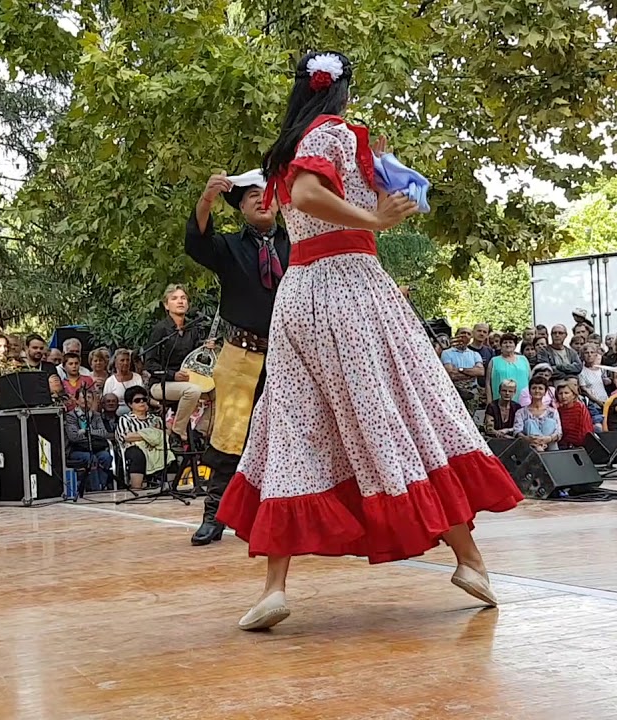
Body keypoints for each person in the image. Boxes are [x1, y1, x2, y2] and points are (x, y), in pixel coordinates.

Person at [216, 51, 522, 631]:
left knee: (291, 428)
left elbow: (298, 195)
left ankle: (273, 588)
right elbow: (307, 194)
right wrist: (374, 219)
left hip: (299, 295)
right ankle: (470, 560)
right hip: (350, 290)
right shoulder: (334, 132)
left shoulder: (287, 146)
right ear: (342, 91)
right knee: (403, 413)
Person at [185, 165, 291, 545]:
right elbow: (197, 242)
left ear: (279, 204)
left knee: (290, 435)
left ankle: (286, 517)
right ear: (241, 208)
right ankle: (214, 515)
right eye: (252, 197)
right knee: (230, 436)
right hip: (240, 354)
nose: (262, 202)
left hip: (287, 358)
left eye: (268, 196)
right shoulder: (228, 247)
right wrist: (206, 198)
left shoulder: (297, 244)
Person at [143, 284, 203, 448]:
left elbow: (197, 357)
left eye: (183, 298)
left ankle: (201, 433)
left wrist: (207, 348)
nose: (180, 302)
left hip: (186, 382)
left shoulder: (192, 328)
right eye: (174, 298)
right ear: (166, 305)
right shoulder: (160, 330)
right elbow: (149, 362)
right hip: (160, 384)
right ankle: (177, 431)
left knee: (216, 393)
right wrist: (172, 374)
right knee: (193, 391)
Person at [116, 386, 170, 491]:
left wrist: (147, 435)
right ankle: (137, 487)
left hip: (154, 447)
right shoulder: (125, 419)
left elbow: (165, 433)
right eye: (137, 400)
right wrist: (150, 434)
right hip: (133, 448)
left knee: (166, 452)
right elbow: (127, 437)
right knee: (138, 454)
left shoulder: (155, 419)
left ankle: (166, 486)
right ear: (130, 404)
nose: (142, 402)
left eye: (144, 400)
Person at [64, 387, 115, 492]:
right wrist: (92, 433)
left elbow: (103, 433)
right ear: (77, 400)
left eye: (89, 397)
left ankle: (102, 485)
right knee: (91, 458)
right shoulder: (70, 416)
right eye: (83, 397)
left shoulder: (96, 416)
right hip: (76, 450)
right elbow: (73, 437)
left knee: (106, 457)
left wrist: (86, 432)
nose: (86, 400)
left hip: (95, 447)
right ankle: (96, 489)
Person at [513, 378, 561, 451]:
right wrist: (528, 439)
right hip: (530, 447)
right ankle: (538, 448)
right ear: (529, 391)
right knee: (529, 422)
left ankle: (541, 448)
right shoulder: (521, 412)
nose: (537, 391)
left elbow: (559, 432)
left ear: (545, 392)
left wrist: (548, 439)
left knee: (550, 422)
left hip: (551, 447)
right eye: (534, 388)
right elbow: (517, 431)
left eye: (540, 388)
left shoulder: (553, 411)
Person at [487, 332, 530, 403]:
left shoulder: (523, 359)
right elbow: (488, 383)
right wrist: (489, 402)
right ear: (501, 345)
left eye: (510, 342)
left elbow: (529, 379)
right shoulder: (494, 361)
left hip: (523, 401)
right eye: (505, 342)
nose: (508, 345)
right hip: (500, 402)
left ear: (515, 345)